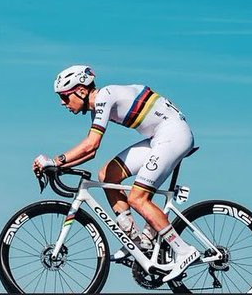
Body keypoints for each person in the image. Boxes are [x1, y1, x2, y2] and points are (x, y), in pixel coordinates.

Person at [32, 64, 200, 279]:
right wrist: (57, 166)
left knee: (138, 199)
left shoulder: (105, 96)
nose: (62, 103)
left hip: (173, 135)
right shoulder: (98, 107)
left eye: (65, 97)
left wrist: (55, 160)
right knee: (108, 175)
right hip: (159, 137)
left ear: (81, 90)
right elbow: (90, 153)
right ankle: (138, 242)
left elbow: (91, 145)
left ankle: (184, 250)